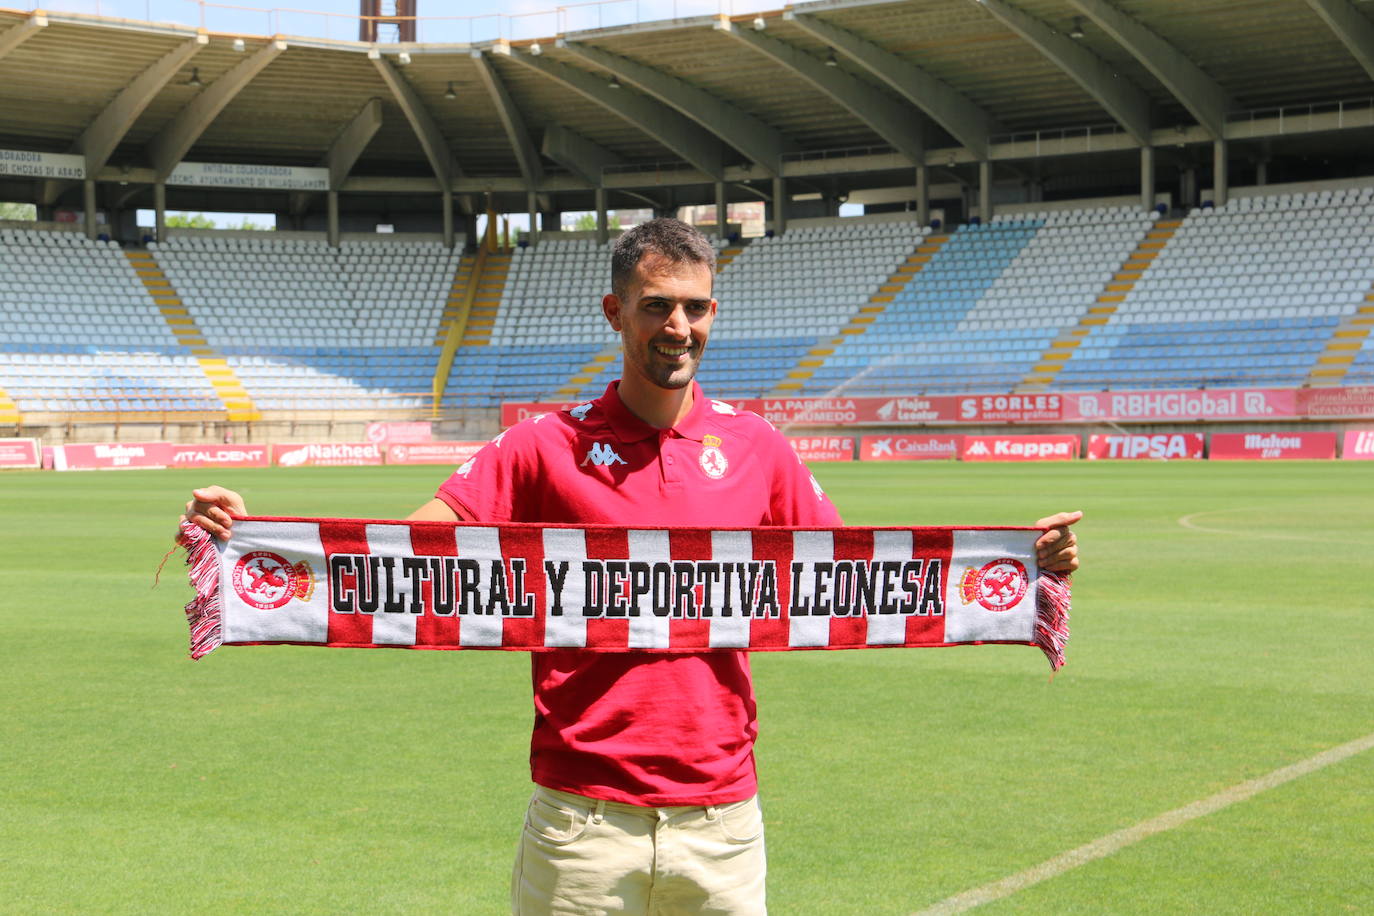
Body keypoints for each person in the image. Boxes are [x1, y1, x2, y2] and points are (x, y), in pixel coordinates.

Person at [184, 218, 1081, 915]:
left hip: (723, 824)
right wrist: (255, 547)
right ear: (617, 313)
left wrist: (1016, 569)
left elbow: (856, 580)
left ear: (713, 314)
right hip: (582, 822)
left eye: (694, 306)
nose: (677, 326)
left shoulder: (759, 449)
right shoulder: (541, 447)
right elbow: (408, 555)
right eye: (657, 306)